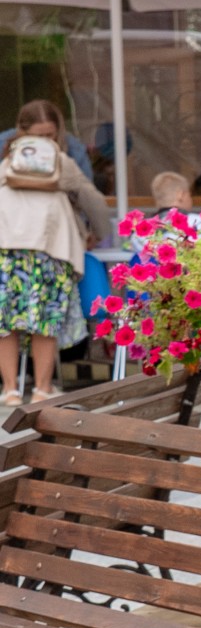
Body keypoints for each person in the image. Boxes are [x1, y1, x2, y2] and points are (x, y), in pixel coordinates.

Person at [0, 100, 107, 406]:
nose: (46, 141)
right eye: (41, 135)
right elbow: (94, 201)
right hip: (50, 250)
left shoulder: (7, 162)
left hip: (6, 250)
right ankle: (42, 389)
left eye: (49, 135)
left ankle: (10, 390)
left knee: (5, 324)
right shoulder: (61, 161)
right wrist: (98, 233)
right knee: (45, 323)